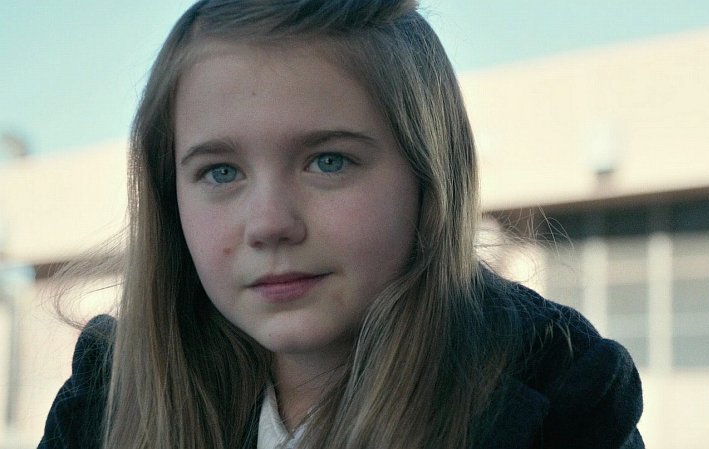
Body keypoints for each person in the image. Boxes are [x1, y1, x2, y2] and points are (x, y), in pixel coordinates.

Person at [38, 1, 644, 448]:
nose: (269, 224)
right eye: (221, 172)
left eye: (329, 161)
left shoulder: (561, 396)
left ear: (429, 179)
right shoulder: (106, 399)